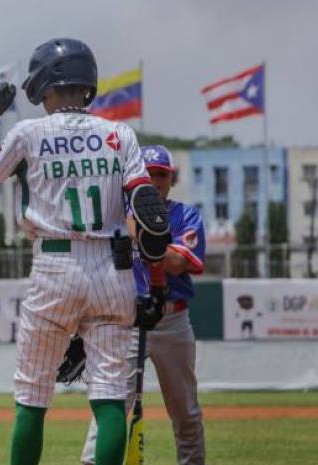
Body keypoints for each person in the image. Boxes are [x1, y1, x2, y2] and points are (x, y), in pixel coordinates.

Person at [0, 37, 168, 465]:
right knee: (110, 396)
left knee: (32, 396)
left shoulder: (28, 133)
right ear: (87, 84)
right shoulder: (120, 133)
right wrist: (156, 280)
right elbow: (145, 209)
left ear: (44, 86)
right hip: (112, 266)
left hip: (54, 265)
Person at [81, 145, 207, 465]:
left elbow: (178, 263)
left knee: (185, 412)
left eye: (161, 174)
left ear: (171, 179)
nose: (154, 181)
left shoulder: (186, 216)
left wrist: (139, 232)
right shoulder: (114, 217)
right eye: (148, 174)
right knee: (111, 406)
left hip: (171, 321)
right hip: (127, 321)